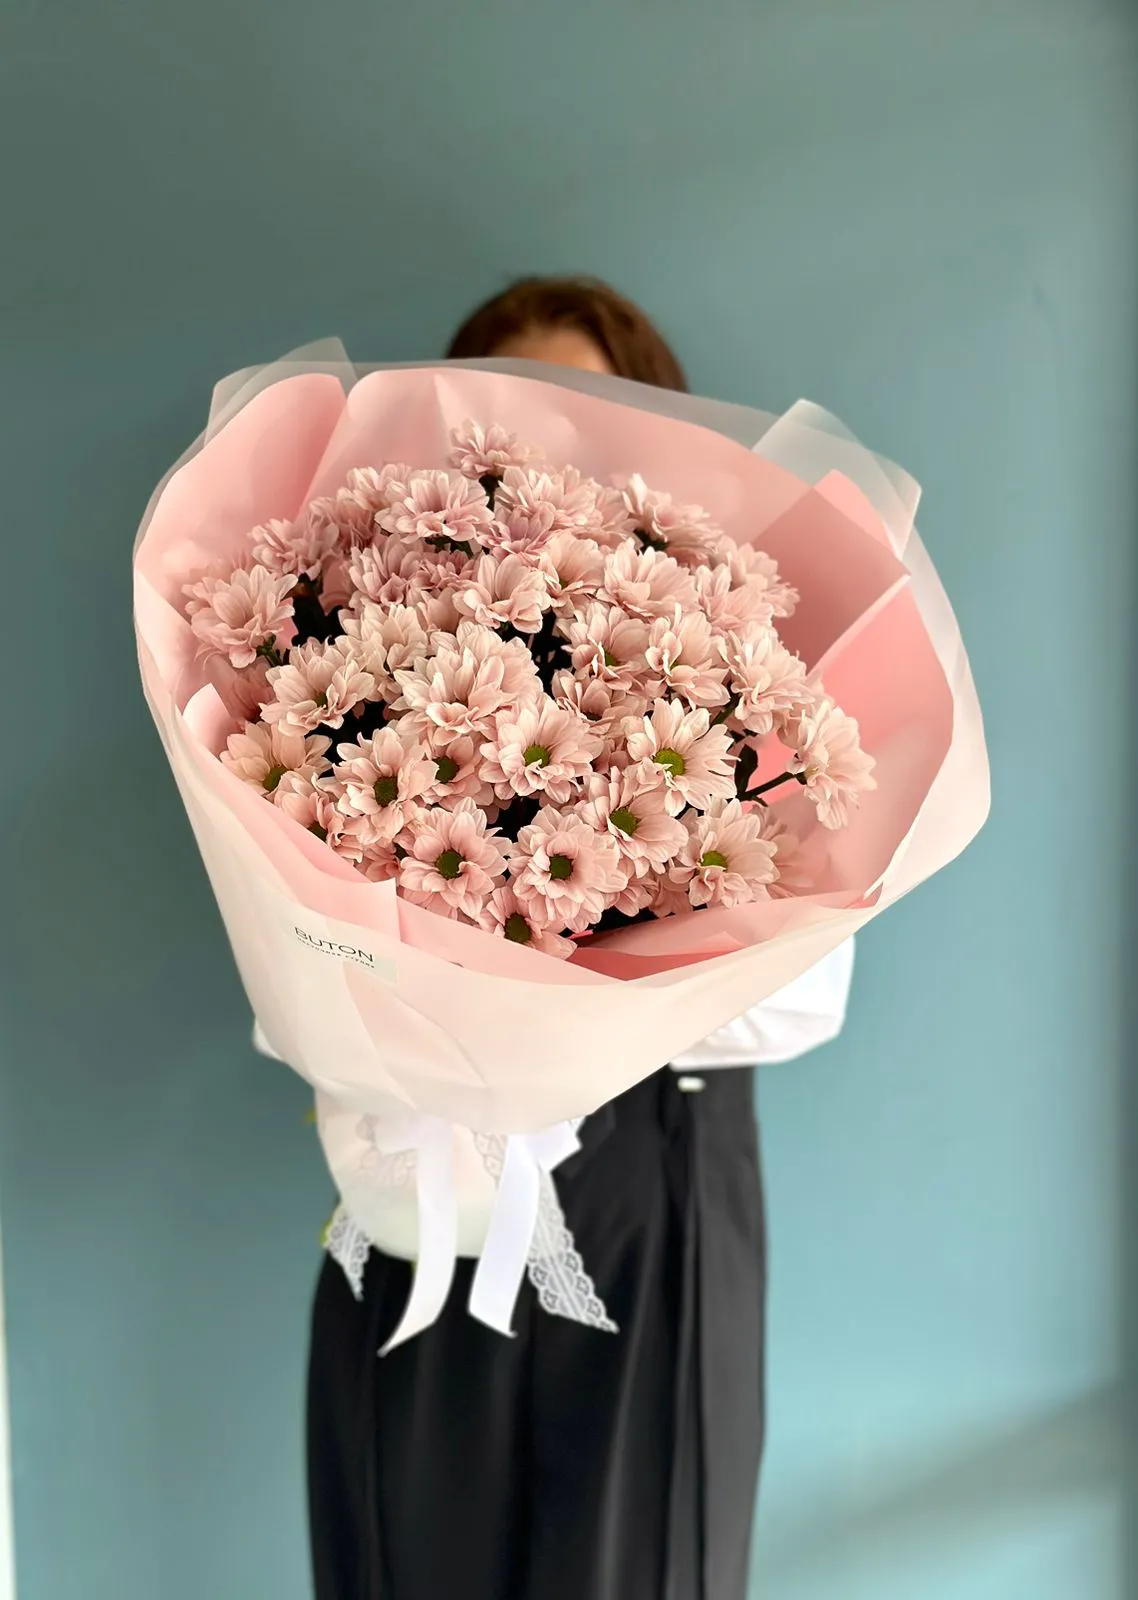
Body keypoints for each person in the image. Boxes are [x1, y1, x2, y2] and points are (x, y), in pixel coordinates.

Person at [306, 275, 856, 1600]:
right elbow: (304, 987)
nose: (543, 446)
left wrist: (540, 978)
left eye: (584, 409)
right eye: (508, 407)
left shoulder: (745, 675)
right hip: (418, 1180)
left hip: (658, 1182)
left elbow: (800, 991)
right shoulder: (340, 664)